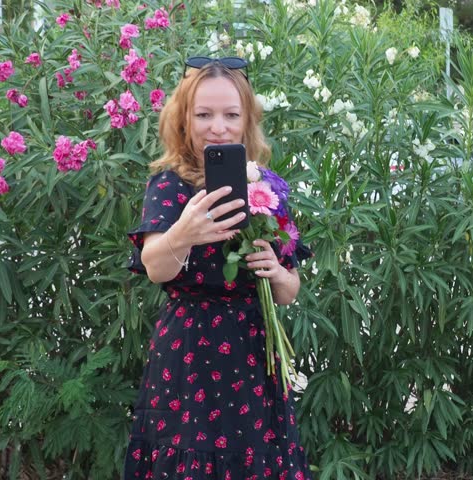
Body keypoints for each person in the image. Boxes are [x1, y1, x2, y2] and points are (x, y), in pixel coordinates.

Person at [123, 56, 313, 480]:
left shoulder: (264, 185)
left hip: (253, 351)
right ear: (184, 120)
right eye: (204, 114)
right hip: (190, 352)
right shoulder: (170, 185)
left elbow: (289, 290)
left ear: (247, 121)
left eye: (231, 114)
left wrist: (277, 272)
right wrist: (183, 232)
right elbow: (155, 267)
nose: (218, 126)